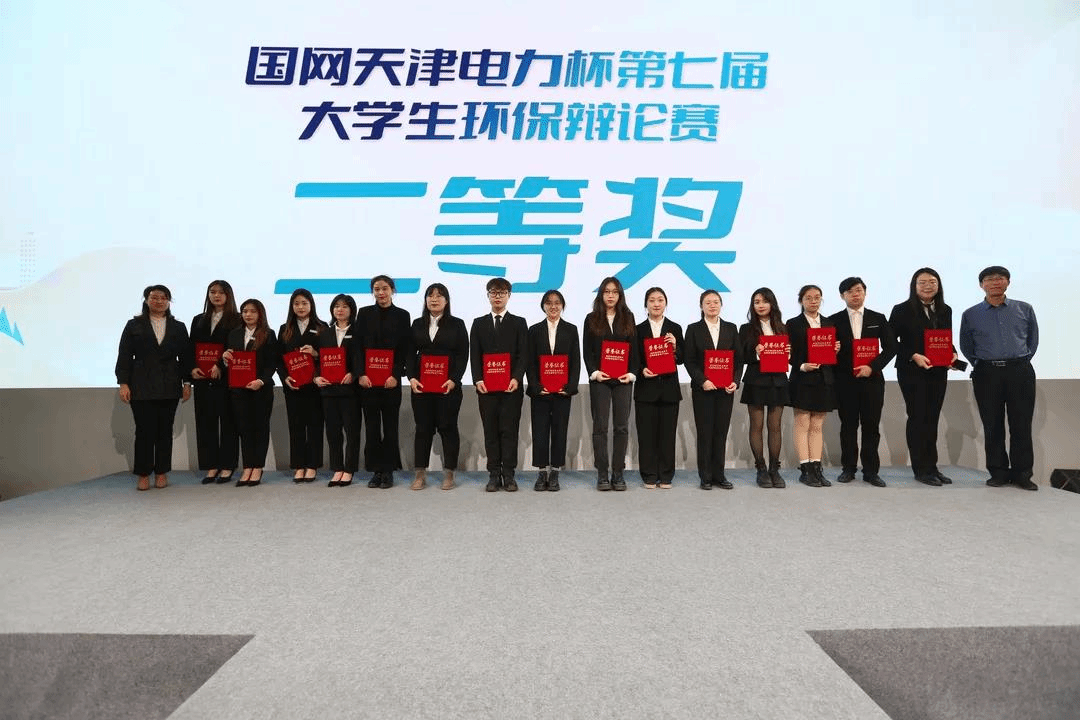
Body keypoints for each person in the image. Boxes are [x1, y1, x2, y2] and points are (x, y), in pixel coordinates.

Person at [959, 265, 1039, 491]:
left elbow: (1032, 340)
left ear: (1008, 282)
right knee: (992, 424)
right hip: (987, 373)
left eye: (1000, 278)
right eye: (989, 279)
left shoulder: (1024, 308)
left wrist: (1020, 361)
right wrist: (981, 365)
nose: (995, 282)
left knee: (1021, 424)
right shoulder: (971, 314)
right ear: (981, 285)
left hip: (1019, 371)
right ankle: (998, 472)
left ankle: (1023, 474)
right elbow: (966, 345)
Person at [115, 285, 192, 491]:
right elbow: (124, 355)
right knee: (144, 431)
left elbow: (185, 357)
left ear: (169, 301)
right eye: (154, 297)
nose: (159, 301)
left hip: (169, 385)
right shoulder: (134, 325)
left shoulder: (179, 327)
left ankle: (161, 472)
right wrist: (123, 383)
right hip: (141, 384)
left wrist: (187, 383)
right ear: (147, 300)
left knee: (164, 431)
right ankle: (143, 473)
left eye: (163, 298)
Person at [888, 268, 956, 486]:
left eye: (932, 282)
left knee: (932, 418)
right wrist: (913, 355)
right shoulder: (901, 310)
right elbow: (890, 342)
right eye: (922, 282)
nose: (928, 286)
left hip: (938, 371)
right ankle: (921, 469)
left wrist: (953, 353)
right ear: (914, 286)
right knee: (918, 417)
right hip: (911, 371)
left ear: (939, 285)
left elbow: (944, 338)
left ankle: (932, 467)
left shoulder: (945, 309)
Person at [828, 277, 898, 487]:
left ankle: (871, 471)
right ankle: (848, 469)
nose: (855, 294)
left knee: (871, 427)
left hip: (872, 381)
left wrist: (872, 367)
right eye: (849, 291)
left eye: (858, 290)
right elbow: (827, 353)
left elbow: (891, 347)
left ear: (865, 293)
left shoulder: (878, 318)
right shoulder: (832, 320)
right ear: (842, 296)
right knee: (848, 426)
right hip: (845, 381)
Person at [407, 283, 469, 491]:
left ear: (447, 300)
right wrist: (411, 377)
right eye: (430, 295)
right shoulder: (417, 324)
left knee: (448, 428)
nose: (434, 299)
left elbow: (462, 354)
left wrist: (454, 379)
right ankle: (420, 474)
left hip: (448, 387)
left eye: (439, 295)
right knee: (422, 429)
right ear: (425, 300)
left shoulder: (457, 324)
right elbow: (409, 353)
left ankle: (449, 473)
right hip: (421, 387)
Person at [469, 277, 529, 492]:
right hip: (486, 389)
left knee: (509, 431)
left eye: (502, 293)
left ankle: (509, 474)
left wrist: (516, 378)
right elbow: (474, 354)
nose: (497, 296)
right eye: (493, 292)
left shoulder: (519, 323)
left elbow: (523, 354)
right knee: (491, 432)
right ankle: (494, 474)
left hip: (511, 388)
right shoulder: (478, 323)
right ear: (488, 296)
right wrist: (478, 379)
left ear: (509, 296)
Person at [583, 277, 640, 491]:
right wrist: (594, 373)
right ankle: (602, 473)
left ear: (620, 295)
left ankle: (618, 473)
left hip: (623, 380)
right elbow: (587, 351)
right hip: (601, 380)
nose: (610, 295)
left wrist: (632, 374)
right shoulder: (591, 318)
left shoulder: (628, 317)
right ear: (601, 294)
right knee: (600, 427)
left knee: (621, 427)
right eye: (607, 291)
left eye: (615, 292)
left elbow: (634, 349)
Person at [683, 289, 743, 490]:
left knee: (721, 432)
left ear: (721, 305)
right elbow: (689, 360)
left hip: (725, 390)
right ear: (701, 306)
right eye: (707, 302)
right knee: (705, 432)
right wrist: (702, 381)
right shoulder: (693, 329)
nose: (712, 305)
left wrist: (735, 381)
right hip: (703, 390)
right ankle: (706, 476)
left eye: (716, 301)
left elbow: (738, 360)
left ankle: (720, 475)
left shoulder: (731, 328)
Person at [357, 275, 412, 489]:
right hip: (368, 383)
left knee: (390, 428)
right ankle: (375, 470)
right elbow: (357, 347)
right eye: (377, 289)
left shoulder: (403, 315)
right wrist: (361, 374)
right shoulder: (364, 314)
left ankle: (388, 470)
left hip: (391, 383)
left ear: (392, 290)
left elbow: (404, 349)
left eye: (385, 288)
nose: (381, 292)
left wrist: (396, 375)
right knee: (371, 428)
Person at [525, 289, 580, 492]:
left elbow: (575, 361)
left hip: (562, 392)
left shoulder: (571, 329)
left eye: (557, 303)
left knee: (559, 431)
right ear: (543, 306)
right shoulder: (534, 330)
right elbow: (529, 361)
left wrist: (570, 387)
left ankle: (555, 471)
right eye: (549, 303)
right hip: (540, 392)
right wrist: (536, 386)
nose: (553, 306)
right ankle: (541, 472)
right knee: (540, 431)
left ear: (562, 306)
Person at [787, 285, 840, 487]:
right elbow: (788, 354)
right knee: (802, 424)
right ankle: (805, 469)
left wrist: (835, 350)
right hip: (802, 379)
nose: (813, 301)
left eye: (817, 297)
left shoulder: (829, 323)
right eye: (808, 298)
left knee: (817, 426)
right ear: (801, 301)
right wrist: (802, 365)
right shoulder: (792, 324)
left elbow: (831, 354)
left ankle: (817, 469)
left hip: (824, 379)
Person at [188, 280, 241, 484]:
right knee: (205, 423)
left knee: (228, 423)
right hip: (202, 379)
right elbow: (190, 347)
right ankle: (211, 465)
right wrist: (192, 368)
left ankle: (227, 466)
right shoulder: (198, 319)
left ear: (228, 295)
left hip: (226, 379)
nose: (216, 296)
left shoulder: (237, 319)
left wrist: (220, 365)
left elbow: (237, 347)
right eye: (212, 292)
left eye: (220, 292)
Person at [222, 299, 278, 486]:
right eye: (245, 311)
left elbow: (272, 363)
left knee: (260, 428)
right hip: (239, 390)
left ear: (260, 313)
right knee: (244, 429)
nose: (248, 314)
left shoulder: (268, 334)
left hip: (261, 389)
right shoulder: (234, 334)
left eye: (253, 311)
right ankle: (247, 466)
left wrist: (261, 381)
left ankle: (258, 467)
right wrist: (225, 358)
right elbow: (232, 360)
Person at [739, 288, 790, 488]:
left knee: (775, 426)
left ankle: (774, 469)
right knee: (757, 425)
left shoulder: (783, 327)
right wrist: (756, 353)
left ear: (772, 303)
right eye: (756, 302)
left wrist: (789, 352)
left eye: (764, 301)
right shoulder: (746, 328)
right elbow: (741, 356)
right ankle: (761, 469)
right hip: (756, 380)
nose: (760, 305)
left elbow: (790, 356)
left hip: (778, 380)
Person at [633, 287, 684, 489]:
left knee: (667, 435)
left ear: (666, 303)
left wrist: (675, 347)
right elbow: (633, 358)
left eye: (660, 300)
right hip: (646, 389)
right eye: (652, 300)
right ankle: (648, 474)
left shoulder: (675, 328)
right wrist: (641, 370)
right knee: (646, 435)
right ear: (646, 304)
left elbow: (682, 358)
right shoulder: (637, 329)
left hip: (669, 389)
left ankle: (666, 475)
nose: (656, 304)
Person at [278, 288, 326, 483]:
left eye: (304, 303)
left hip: (315, 386)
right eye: (296, 303)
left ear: (311, 304)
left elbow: (330, 357)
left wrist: (316, 354)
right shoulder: (285, 329)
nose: (300, 307)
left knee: (315, 425)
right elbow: (278, 358)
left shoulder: (322, 327)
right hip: (294, 386)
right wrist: (284, 378)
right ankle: (298, 465)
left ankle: (312, 465)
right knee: (296, 426)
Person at [315, 294, 360, 487]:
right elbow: (318, 360)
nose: (340, 310)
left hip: (350, 391)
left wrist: (354, 374)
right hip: (329, 391)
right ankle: (337, 468)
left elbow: (361, 357)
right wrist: (316, 377)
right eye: (336, 306)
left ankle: (349, 469)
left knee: (351, 432)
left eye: (344, 306)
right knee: (333, 433)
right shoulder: (324, 333)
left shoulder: (358, 332)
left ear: (351, 310)